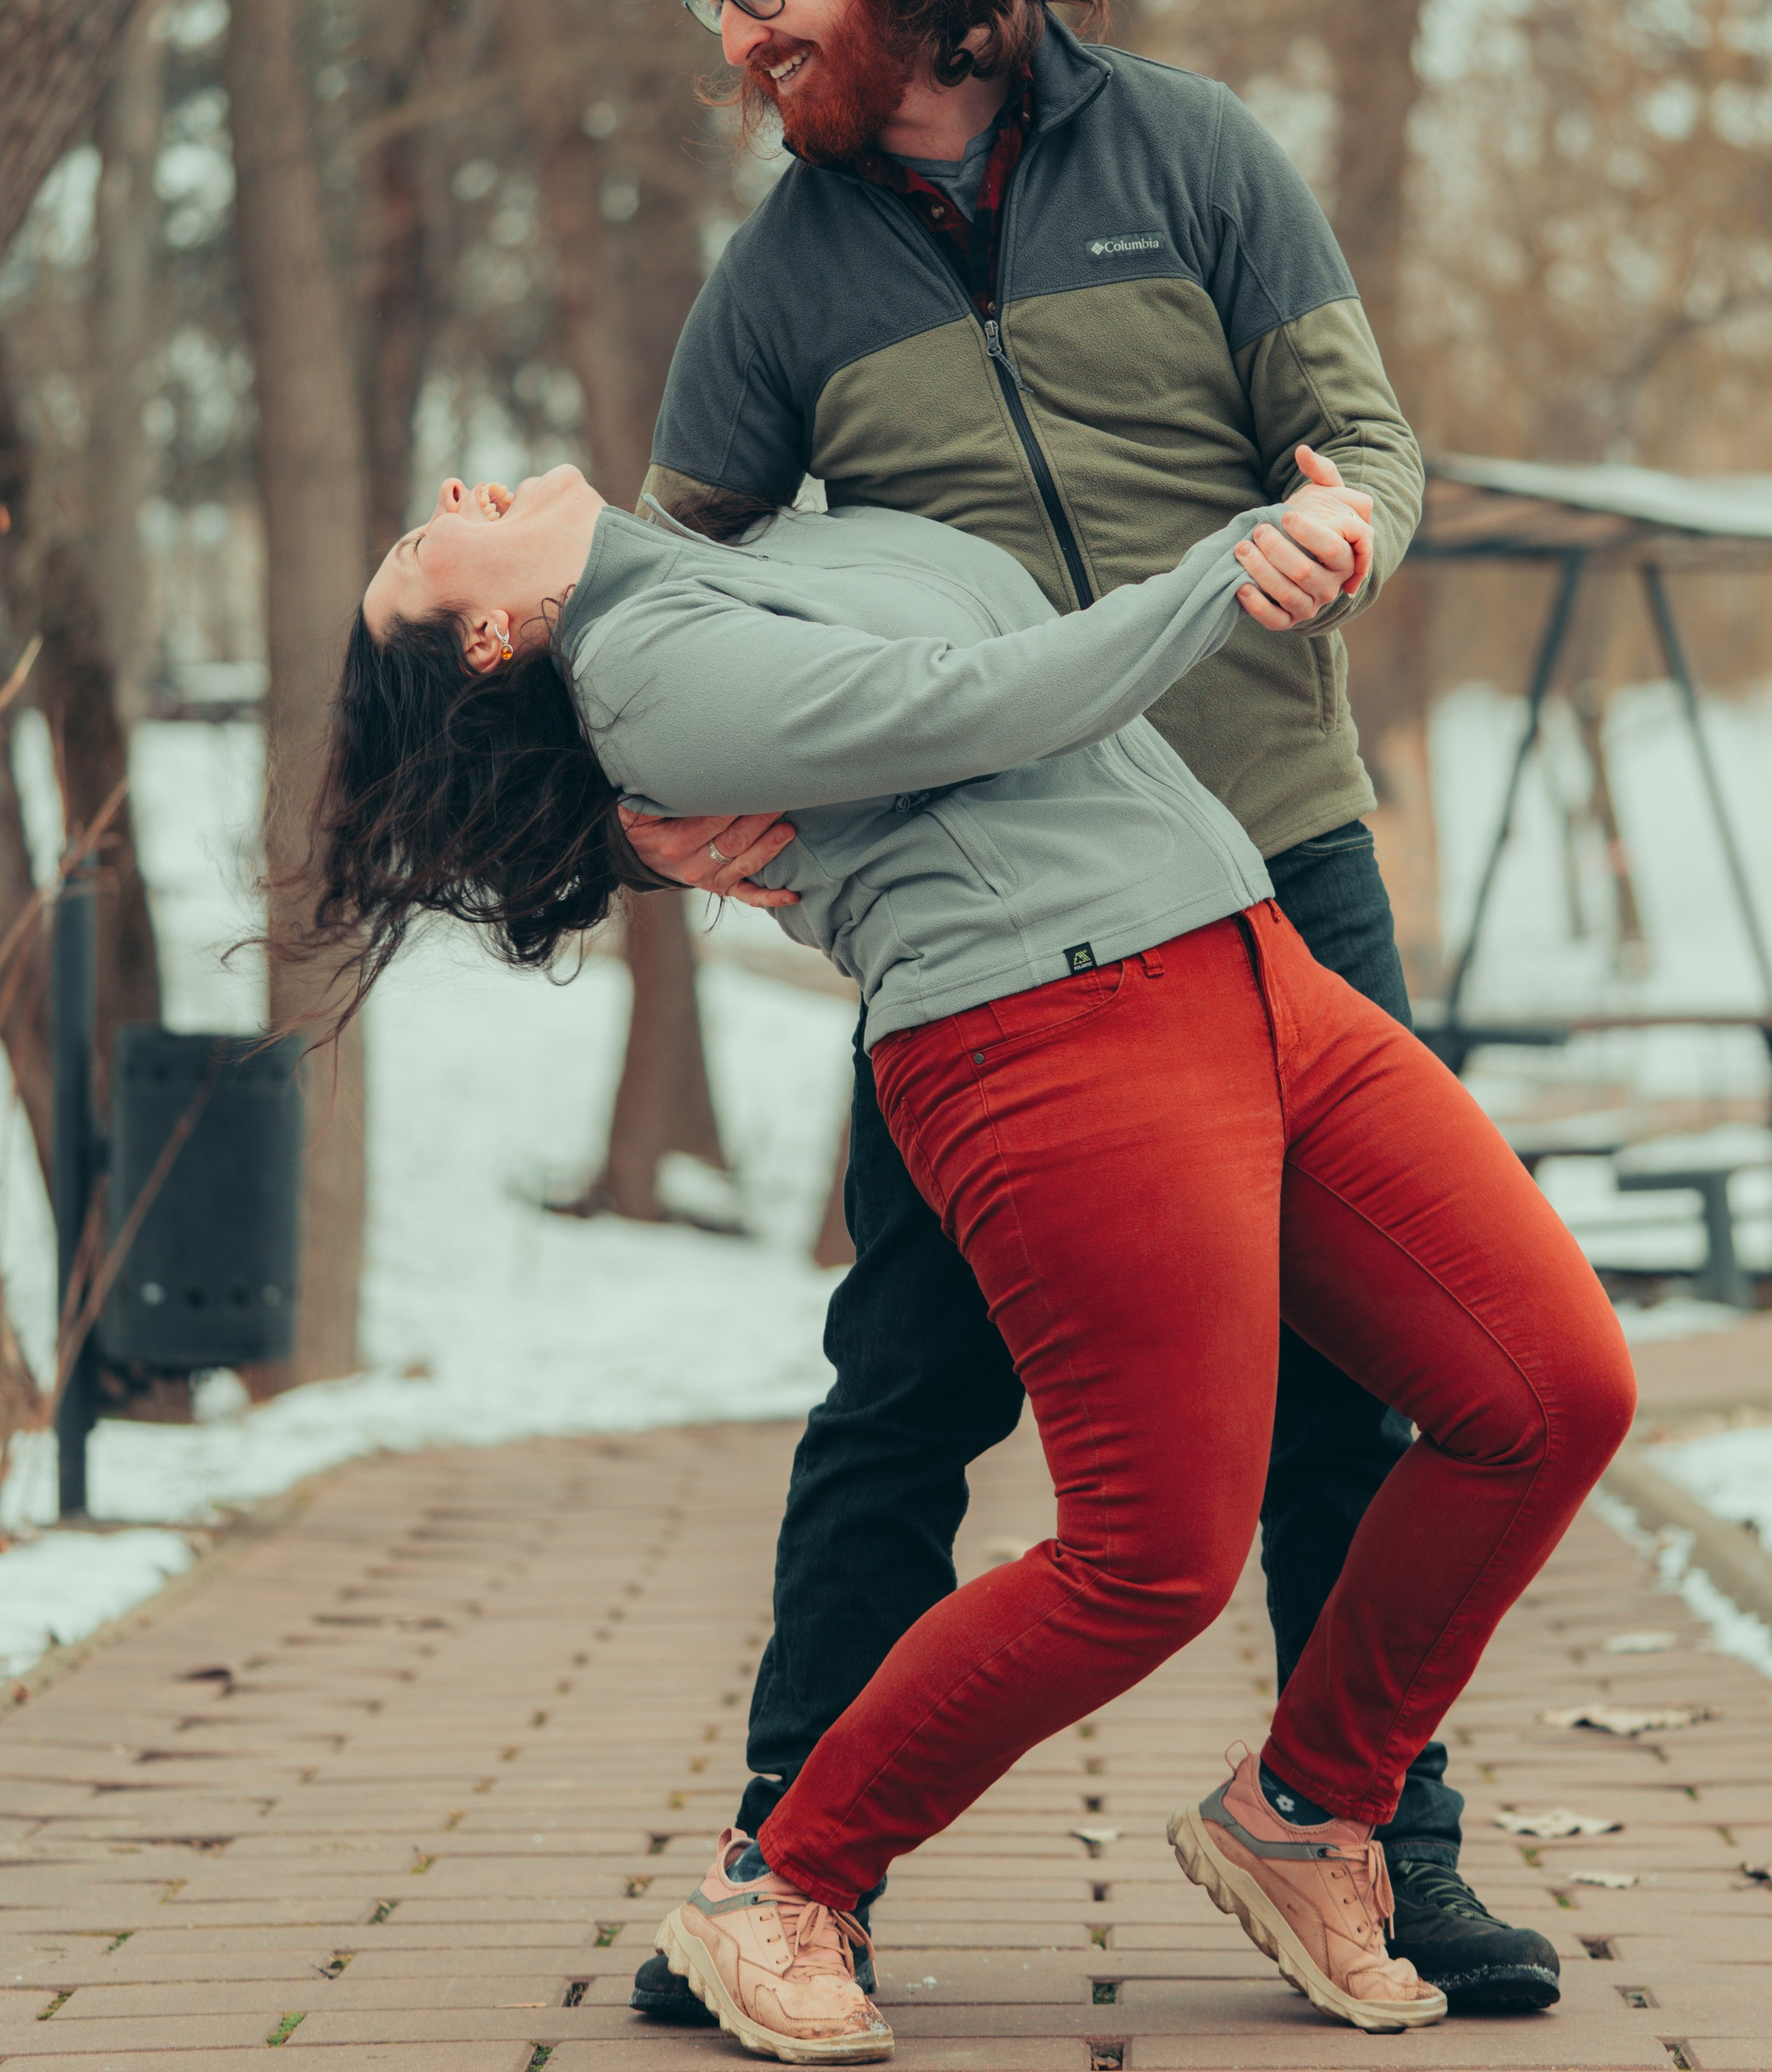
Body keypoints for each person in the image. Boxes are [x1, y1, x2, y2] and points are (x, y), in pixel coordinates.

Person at [613, 0, 1563, 2013]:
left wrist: (1351, 525)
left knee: (1381, 1391)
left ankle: (1377, 1840)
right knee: (905, 1387)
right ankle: (781, 1853)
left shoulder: (1195, 154)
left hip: (1277, 879)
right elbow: (661, 606)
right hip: (992, 951)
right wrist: (677, 816)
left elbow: (1375, 438)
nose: (740, 37)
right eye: (706, 5)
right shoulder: (777, 285)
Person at [320, 461, 1635, 2069]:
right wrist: (1240, 559)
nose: (451, 488)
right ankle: (783, 1884)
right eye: (419, 544)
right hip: (1045, 1025)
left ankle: (1311, 1809)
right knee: (1150, 1554)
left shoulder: (768, 547)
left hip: (1246, 959)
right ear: (491, 638)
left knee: (1546, 1391)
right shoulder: (644, 669)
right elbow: (987, 701)